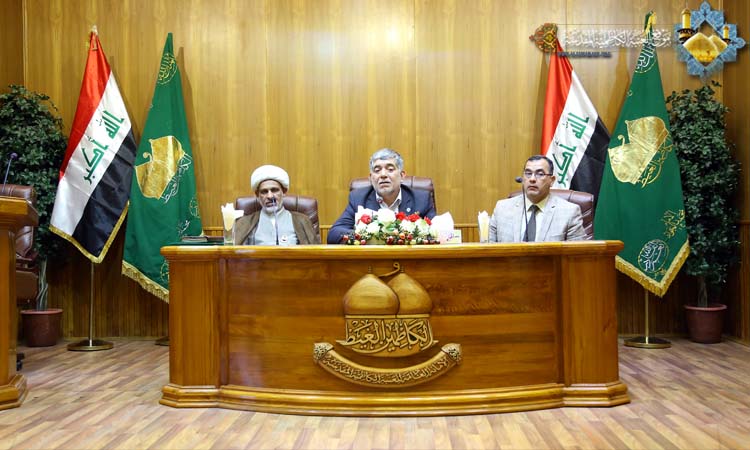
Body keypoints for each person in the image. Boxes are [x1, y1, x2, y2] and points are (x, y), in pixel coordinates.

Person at [327, 148, 437, 244]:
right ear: (371, 178)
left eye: (390, 169)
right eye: (377, 170)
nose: (383, 175)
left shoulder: (421, 199)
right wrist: (366, 235)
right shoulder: (358, 198)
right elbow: (334, 233)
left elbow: (436, 233)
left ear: (402, 176)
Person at [489, 155, 586, 242]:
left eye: (540, 174)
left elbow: (578, 254)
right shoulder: (502, 209)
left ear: (551, 180)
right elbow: (488, 250)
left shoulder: (569, 212)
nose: (532, 179)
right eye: (528, 173)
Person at [234, 165, 320, 245]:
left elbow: (316, 252)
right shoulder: (244, 223)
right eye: (264, 192)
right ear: (257, 195)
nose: (270, 196)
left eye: (274, 190)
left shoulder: (302, 220)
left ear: (284, 192)